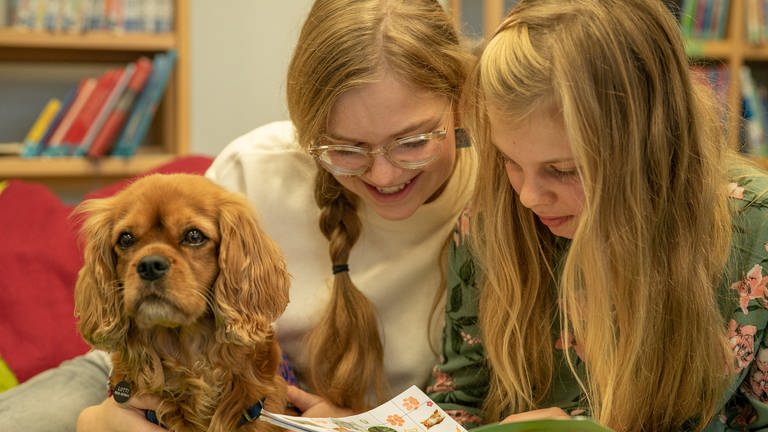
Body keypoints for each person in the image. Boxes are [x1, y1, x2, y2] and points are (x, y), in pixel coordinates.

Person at [0, 1, 476, 430]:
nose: (384, 172)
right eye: (345, 149)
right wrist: (100, 422)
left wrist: (365, 423)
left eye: (413, 141)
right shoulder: (256, 167)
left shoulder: (500, 200)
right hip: (139, 378)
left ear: (461, 102)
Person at [428, 0, 768, 431]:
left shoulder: (755, 231)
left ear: (650, 145)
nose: (529, 197)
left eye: (564, 170)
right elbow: (459, 402)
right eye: (509, 161)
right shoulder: (491, 218)